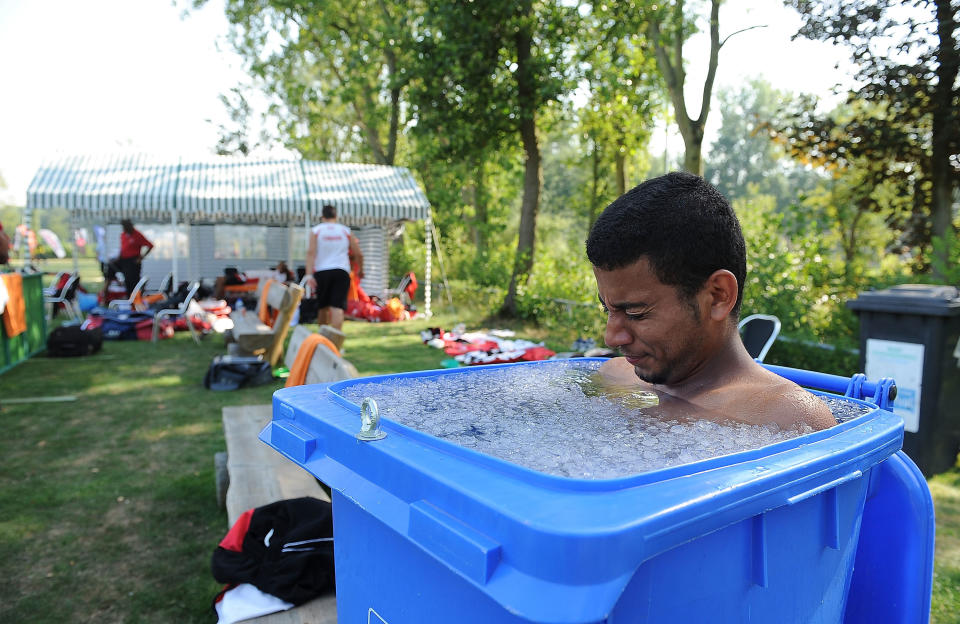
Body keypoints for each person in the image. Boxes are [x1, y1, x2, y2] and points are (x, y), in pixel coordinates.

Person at [586, 172, 835, 431]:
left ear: (718, 296)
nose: (611, 338)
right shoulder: (613, 376)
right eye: (608, 308)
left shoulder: (786, 419)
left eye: (636, 312)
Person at [305, 204, 363, 330]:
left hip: (322, 271)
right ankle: (335, 344)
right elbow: (358, 253)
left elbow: (310, 252)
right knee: (337, 307)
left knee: (323, 307)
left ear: (322, 216)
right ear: (336, 216)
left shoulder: (316, 231)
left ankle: (323, 340)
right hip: (341, 271)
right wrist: (361, 270)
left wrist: (309, 274)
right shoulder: (345, 231)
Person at [115, 219, 153, 297]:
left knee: (133, 281)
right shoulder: (123, 235)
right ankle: (128, 297)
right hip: (124, 260)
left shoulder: (137, 235)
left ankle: (136, 298)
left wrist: (141, 257)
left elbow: (150, 245)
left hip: (133, 261)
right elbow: (123, 248)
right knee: (113, 270)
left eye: (125, 227)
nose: (124, 229)